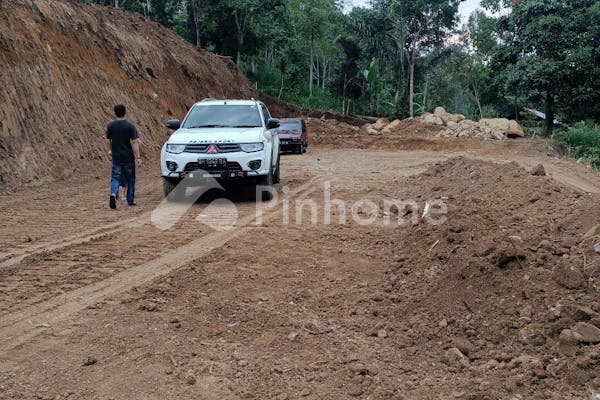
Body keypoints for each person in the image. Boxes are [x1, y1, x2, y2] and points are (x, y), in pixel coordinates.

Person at [106, 104, 142, 209]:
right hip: (128, 157)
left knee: (115, 177)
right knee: (130, 178)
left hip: (116, 157)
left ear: (115, 112)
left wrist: (110, 150)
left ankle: (113, 193)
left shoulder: (111, 126)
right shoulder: (130, 126)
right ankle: (130, 200)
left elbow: (108, 140)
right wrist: (138, 157)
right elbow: (135, 142)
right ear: (125, 112)